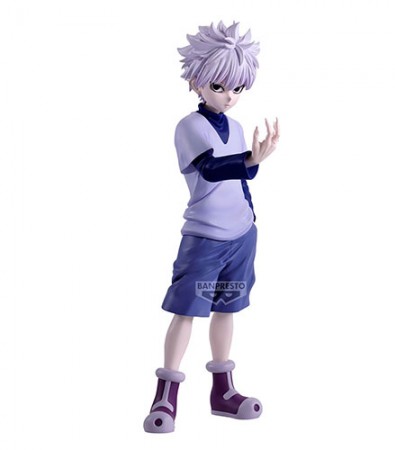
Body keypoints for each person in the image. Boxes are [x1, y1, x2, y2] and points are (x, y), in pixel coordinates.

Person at [143, 21, 280, 433]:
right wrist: (250, 160)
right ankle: (165, 396)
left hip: (241, 234)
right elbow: (210, 168)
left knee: (227, 307)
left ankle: (223, 391)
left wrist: (252, 194)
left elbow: (241, 177)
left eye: (237, 88)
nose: (229, 96)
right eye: (220, 86)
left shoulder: (235, 128)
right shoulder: (190, 126)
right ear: (197, 81)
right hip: (204, 236)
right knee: (186, 311)